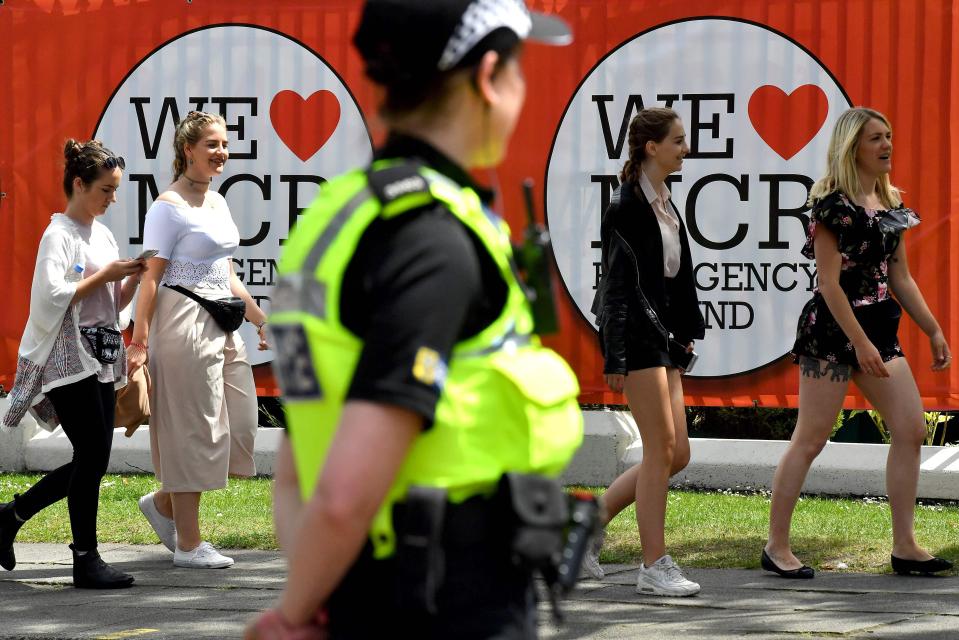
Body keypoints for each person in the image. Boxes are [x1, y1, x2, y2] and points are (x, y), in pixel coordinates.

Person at [244, 1, 583, 638]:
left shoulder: (339, 215)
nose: (521, 86)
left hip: (365, 587)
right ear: (488, 76)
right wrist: (287, 619)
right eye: (518, 69)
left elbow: (301, 453)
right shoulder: (432, 239)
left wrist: (316, 590)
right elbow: (346, 490)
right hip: (446, 602)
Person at [763, 107, 953, 579]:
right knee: (811, 439)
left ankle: (906, 546)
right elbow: (828, 285)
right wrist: (861, 344)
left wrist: (932, 329)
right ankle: (776, 547)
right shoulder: (831, 206)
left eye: (888, 136)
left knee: (910, 429)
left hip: (880, 331)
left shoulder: (890, 206)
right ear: (853, 147)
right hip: (831, 332)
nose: (887, 145)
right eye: (875, 139)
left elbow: (900, 276)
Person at [127, 110, 269, 570]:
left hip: (223, 321)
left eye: (224, 144)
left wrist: (258, 315)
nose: (221, 152)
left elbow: (225, 272)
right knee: (194, 430)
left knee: (241, 424)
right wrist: (139, 340)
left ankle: (165, 503)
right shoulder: (168, 206)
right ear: (187, 150)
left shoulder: (219, 202)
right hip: (182, 320)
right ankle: (189, 544)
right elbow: (151, 278)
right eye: (211, 144)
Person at [0, 140, 144, 588]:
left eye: (115, 190)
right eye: (105, 189)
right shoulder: (58, 234)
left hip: (97, 355)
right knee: (94, 455)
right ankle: (85, 558)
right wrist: (107, 274)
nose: (111, 199)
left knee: (92, 457)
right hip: (66, 358)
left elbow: (110, 304)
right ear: (78, 185)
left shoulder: (101, 234)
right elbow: (50, 297)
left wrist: (134, 278)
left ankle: (11, 517)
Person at [587, 108, 705, 597]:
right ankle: (653, 566)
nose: (685, 148)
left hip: (663, 339)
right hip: (636, 339)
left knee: (677, 454)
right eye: (677, 141)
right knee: (661, 451)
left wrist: (684, 332)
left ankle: (580, 531)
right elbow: (617, 287)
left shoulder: (664, 200)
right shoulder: (626, 206)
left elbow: (671, 278)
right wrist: (615, 355)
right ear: (650, 147)